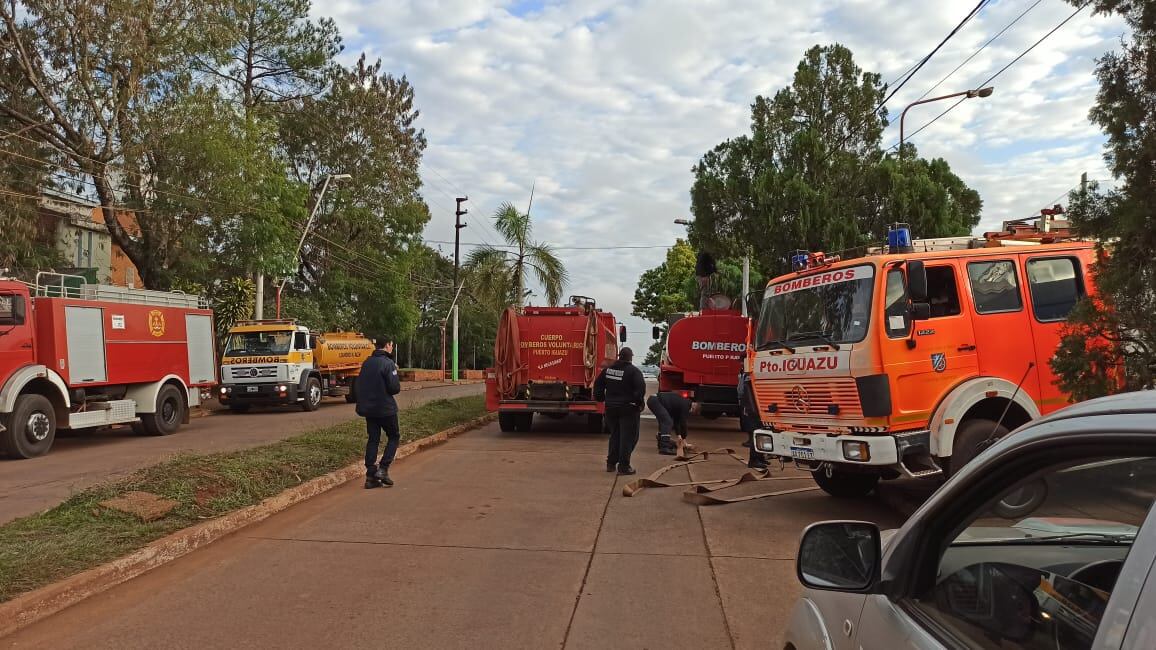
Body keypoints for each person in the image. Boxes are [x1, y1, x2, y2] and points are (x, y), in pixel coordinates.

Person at [355, 337, 402, 489]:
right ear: (387, 345)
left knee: (373, 439)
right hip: (386, 409)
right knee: (394, 436)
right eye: (392, 345)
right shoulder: (388, 363)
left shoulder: (367, 363)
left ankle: (370, 475)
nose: (392, 348)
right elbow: (394, 388)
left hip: (369, 409)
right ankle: (383, 468)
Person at [594, 347, 646, 475]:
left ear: (619, 356)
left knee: (615, 435)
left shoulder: (608, 370)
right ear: (630, 357)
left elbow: (598, 385)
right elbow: (640, 390)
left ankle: (611, 463)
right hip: (628, 409)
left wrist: (601, 398)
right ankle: (624, 466)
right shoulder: (634, 372)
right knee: (629, 438)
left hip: (611, 409)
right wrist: (639, 403)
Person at [646, 391, 698, 456]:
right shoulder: (686, 405)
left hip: (653, 400)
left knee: (664, 421)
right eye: (691, 411)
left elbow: (677, 421)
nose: (689, 412)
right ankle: (664, 447)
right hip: (655, 401)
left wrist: (679, 436)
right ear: (693, 407)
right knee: (667, 422)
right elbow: (683, 422)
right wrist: (684, 439)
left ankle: (661, 443)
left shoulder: (681, 403)